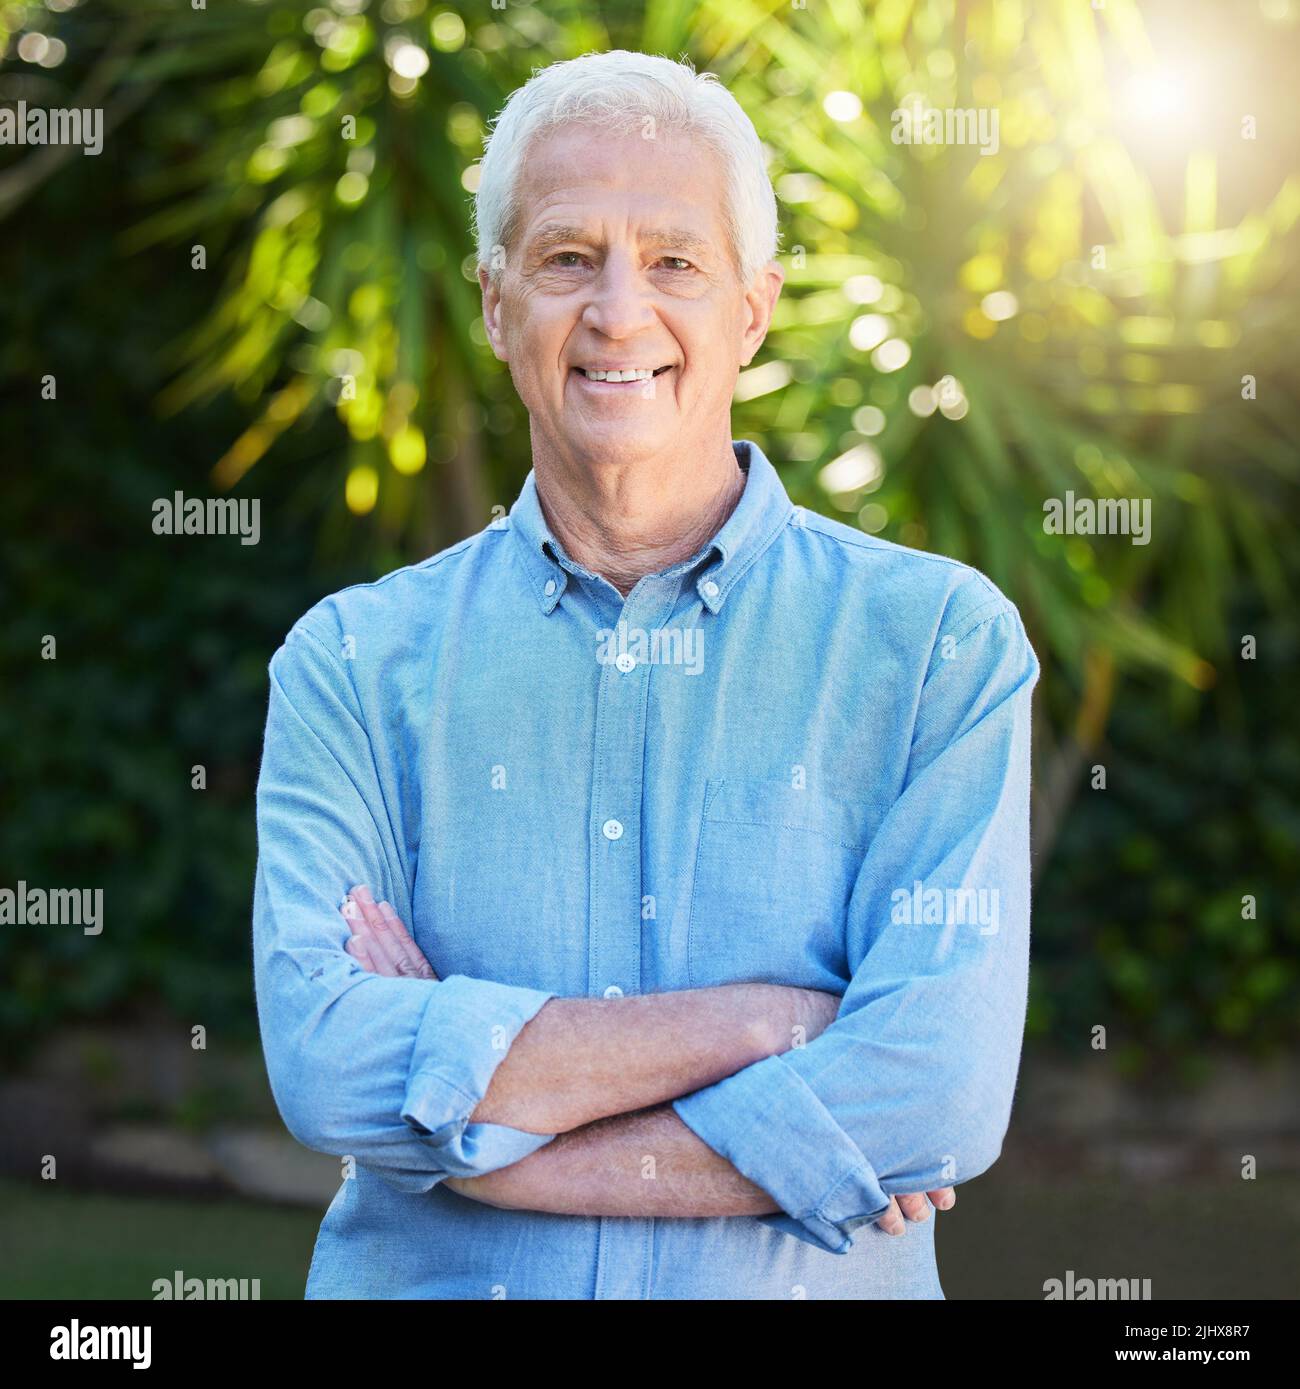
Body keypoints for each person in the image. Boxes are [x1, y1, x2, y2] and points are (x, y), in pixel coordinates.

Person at [252, 49, 1040, 1299]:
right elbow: (331, 1065)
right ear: (495, 301)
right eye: (568, 258)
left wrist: (483, 1145)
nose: (620, 311)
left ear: (752, 310)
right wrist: (778, 1026)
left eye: (674, 261)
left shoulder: (939, 643)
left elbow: (931, 1095)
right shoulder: (351, 664)